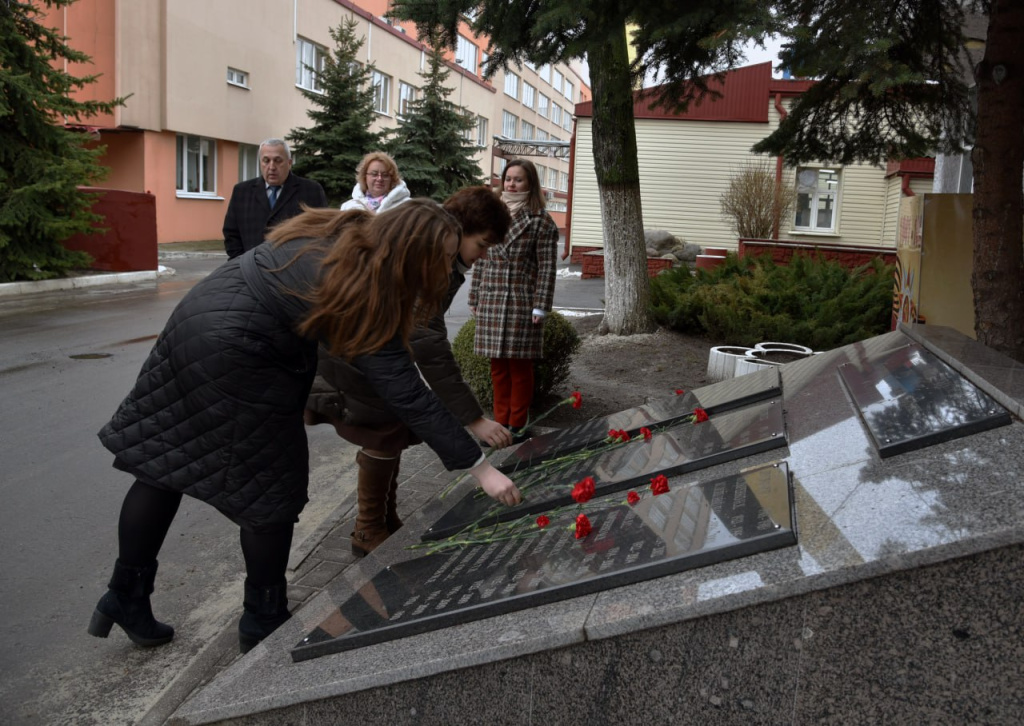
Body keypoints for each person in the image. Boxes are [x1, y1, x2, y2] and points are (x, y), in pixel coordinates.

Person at [87, 201, 522, 654]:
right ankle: (263, 619)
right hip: (244, 349)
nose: (445, 268)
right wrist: (480, 469)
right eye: (440, 258)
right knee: (271, 489)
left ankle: (125, 595)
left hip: (199, 316)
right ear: (413, 252)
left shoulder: (345, 232)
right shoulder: (368, 285)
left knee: (166, 461)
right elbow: (406, 391)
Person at [306, 187, 514, 556]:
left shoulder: (447, 262)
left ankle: (385, 520)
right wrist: (473, 420)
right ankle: (368, 529)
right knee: (384, 424)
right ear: (459, 230)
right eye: (481, 244)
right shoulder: (433, 260)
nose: (482, 256)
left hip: (365, 355)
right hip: (350, 357)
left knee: (396, 425)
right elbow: (429, 345)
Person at [468, 160, 559, 440]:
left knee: (519, 368)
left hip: (522, 301)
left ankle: (517, 424)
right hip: (492, 299)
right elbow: (481, 257)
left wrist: (541, 305)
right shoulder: (492, 216)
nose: (511, 184)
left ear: (530, 183)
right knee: (497, 368)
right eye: (508, 178)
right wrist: (474, 296)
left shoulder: (540, 221)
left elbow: (546, 267)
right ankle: (499, 425)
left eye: (518, 180)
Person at [222, 138, 327, 259]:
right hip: (251, 270)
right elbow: (231, 234)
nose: (271, 167)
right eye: (266, 161)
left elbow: (321, 232)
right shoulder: (242, 191)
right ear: (260, 162)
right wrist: (243, 264)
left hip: (294, 270)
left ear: (289, 163)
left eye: (278, 161)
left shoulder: (311, 190)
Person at [340, 151, 410, 213]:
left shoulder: (406, 206)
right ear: (365, 176)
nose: (379, 179)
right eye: (374, 174)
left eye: (385, 175)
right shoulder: (348, 207)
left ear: (392, 179)